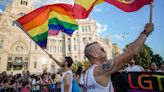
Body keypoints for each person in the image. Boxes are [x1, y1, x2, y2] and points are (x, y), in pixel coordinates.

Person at [84, 23, 154, 92]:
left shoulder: (87, 75)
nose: (105, 51)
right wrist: (145, 32)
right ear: (95, 54)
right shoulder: (101, 70)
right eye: (102, 49)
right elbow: (131, 52)